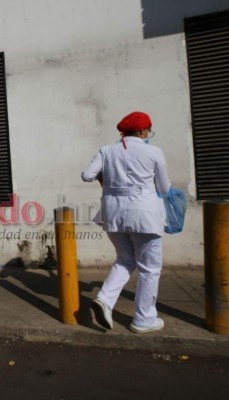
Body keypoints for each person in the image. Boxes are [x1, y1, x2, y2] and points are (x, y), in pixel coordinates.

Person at [81, 111, 172, 334]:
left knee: (125, 259)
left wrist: (107, 183)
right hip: (145, 216)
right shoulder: (154, 152)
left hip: (113, 214)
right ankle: (143, 319)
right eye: (148, 130)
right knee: (149, 268)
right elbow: (164, 189)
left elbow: (87, 175)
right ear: (142, 131)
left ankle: (104, 300)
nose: (148, 134)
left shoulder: (107, 150)